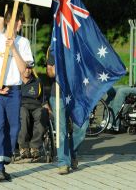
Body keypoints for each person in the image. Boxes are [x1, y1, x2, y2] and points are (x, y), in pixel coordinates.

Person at [0, 9, 33, 182]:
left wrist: (14, 49)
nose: (20, 25)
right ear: (10, 23)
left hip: (14, 91)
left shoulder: (23, 42)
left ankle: (3, 161)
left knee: (13, 129)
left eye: (21, 22)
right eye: (17, 22)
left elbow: (24, 71)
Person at [46, 46, 88, 175]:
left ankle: (71, 153)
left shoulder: (79, 44)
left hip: (77, 93)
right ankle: (63, 162)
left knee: (82, 127)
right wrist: (57, 69)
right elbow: (49, 72)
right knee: (61, 130)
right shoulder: (54, 46)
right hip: (58, 94)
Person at [17, 61, 49, 160]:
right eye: (25, 68)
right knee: (23, 113)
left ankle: (35, 147)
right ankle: (23, 147)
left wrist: (50, 114)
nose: (27, 70)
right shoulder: (15, 81)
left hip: (36, 106)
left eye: (30, 68)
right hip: (21, 106)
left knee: (42, 113)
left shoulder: (37, 82)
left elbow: (44, 101)